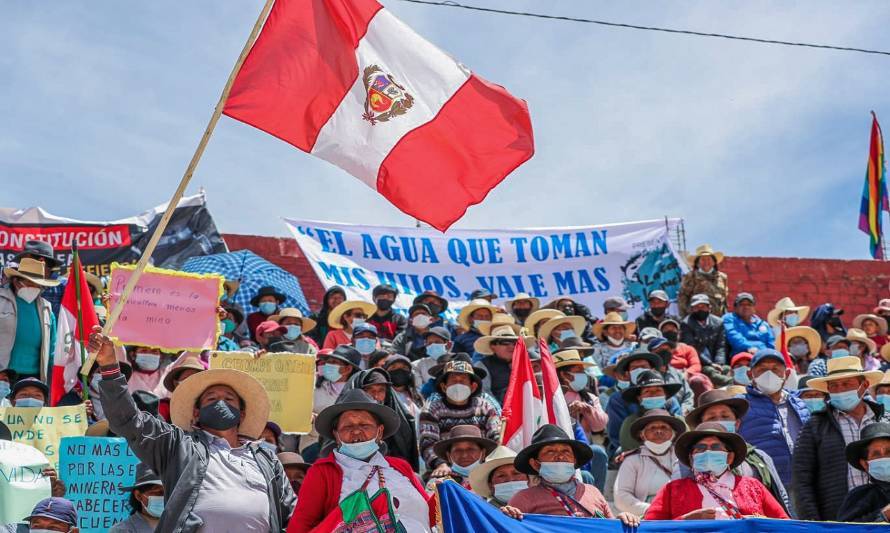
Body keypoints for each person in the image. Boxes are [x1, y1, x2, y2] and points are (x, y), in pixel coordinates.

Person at [88, 327, 295, 532]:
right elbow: (129, 420)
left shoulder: (267, 459)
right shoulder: (176, 446)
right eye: (212, 399)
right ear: (196, 413)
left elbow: (292, 514)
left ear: (241, 414)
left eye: (229, 399)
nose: (221, 403)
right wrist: (109, 366)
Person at [288, 389, 433, 532]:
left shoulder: (400, 467)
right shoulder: (322, 472)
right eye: (347, 426)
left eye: (365, 425)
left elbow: (430, 514)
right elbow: (299, 527)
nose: (356, 431)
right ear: (336, 435)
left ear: (380, 432)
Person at [793, 356, 888, 521]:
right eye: (834, 386)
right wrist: (814, 525)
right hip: (839, 520)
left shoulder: (885, 421)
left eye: (846, 384)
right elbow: (802, 480)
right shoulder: (815, 425)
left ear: (864, 385)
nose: (840, 390)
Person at [499, 425, 639, 526]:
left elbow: (610, 527)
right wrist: (507, 517)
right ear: (535, 464)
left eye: (566, 451)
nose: (560, 456)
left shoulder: (592, 491)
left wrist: (623, 519)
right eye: (550, 452)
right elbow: (507, 528)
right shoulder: (523, 498)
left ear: (574, 461)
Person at [644, 422, 789, 520]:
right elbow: (650, 527)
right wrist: (685, 520)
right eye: (700, 448)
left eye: (715, 447)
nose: (707, 451)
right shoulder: (672, 490)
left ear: (729, 457)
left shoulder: (753, 486)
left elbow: (784, 524)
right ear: (691, 458)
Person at [684, 389, 790, 514]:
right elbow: (678, 500)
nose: (719, 421)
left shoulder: (759, 457)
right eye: (712, 417)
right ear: (700, 425)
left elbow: (780, 497)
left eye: (725, 416)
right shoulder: (689, 460)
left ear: (737, 423)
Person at [738, 348, 809, 488]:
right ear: (750, 374)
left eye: (775, 369)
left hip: (803, 483)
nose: (769, 374)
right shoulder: (740, 406)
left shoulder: (799, 404)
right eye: (762, 369)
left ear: (787, 374)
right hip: (765, 483)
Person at [418, 360, 500, 477]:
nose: (458, 384)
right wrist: (440, 464)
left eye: (462, 381)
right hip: (446, 470)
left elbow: (496, 435)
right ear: (444, 386)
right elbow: (427, 442)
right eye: (453, 381)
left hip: (482, 468)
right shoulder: (432, 409)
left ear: (473, 386)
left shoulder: (485, 406)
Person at [335, 368, 419, 471]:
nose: (376, 396)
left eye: (381, 390)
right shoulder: (340, 423)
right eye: (370, 390)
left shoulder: (402, 423)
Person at [614, 409, 685, 517]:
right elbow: (621, 497)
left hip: (680, 513)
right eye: (652, 428)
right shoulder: (632, 460)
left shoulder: (683, 458)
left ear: (673, 434)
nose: (659, 431)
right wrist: (653, 510)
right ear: (642, 435)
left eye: (664, 427)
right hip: (645, 516)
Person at [0, 258, 59, 382]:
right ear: (16, 281)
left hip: (33, 378)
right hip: (3, 374)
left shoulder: (46, 308)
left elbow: (52, 349)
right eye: (30, 282)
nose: (34, 287)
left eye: (37, 284)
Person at [617, 370, 684, 453]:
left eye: (658, 390)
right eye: (647, 391)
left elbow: (685, 449)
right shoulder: (630, 423)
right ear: (639, 398)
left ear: (665, 396)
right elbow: (631, 451)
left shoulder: (679, 421)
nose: (653, 394)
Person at [837, 422, 890, 522]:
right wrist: (883, 516)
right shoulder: (860, 496)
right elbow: (845, 529)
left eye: (889, 452)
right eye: (876, 454)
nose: (884, 457)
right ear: (865, 464)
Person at [474, 315, 530, 404]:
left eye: (514, 343)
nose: (511, 347)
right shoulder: (483, 365)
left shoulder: (529, 362)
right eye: (505, 343)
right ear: (493, 346)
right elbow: (484, 395)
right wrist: (501, 413)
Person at [428, 424, 497, 487]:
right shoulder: (438, 483)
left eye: (471, 449)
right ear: (448, 456)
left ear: (483, 453)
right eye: (457, 450)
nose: (464, 455)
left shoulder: (494, 480)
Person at [680, 293, 728, 383]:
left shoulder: (718, 322)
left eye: (703, 306)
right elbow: (692, 348)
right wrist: (710, 364)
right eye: (697, 307)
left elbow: (721, 345)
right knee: (713, 373)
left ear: (709, 308)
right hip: (701, 363)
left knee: (727, 369)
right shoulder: (686, 324)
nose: (700, 309)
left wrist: (719, 363)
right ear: (691, 309)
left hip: (716, 362)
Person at [677, 244, 729, 317]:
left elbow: (724, 300)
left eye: (709, 259)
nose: (706, 262)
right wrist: (686, 317)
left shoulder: (722, 277)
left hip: (718, 319)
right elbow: (682, 297)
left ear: (714, 262)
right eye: (703, 259)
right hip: (697, 319)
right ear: (697, 263)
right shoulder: (690, 276)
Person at [111, 463, 164, 533]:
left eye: (169, 492)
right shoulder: (123, 530)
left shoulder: (178, 525)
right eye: (159, 492)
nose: (165, 497)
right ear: (138, 495)